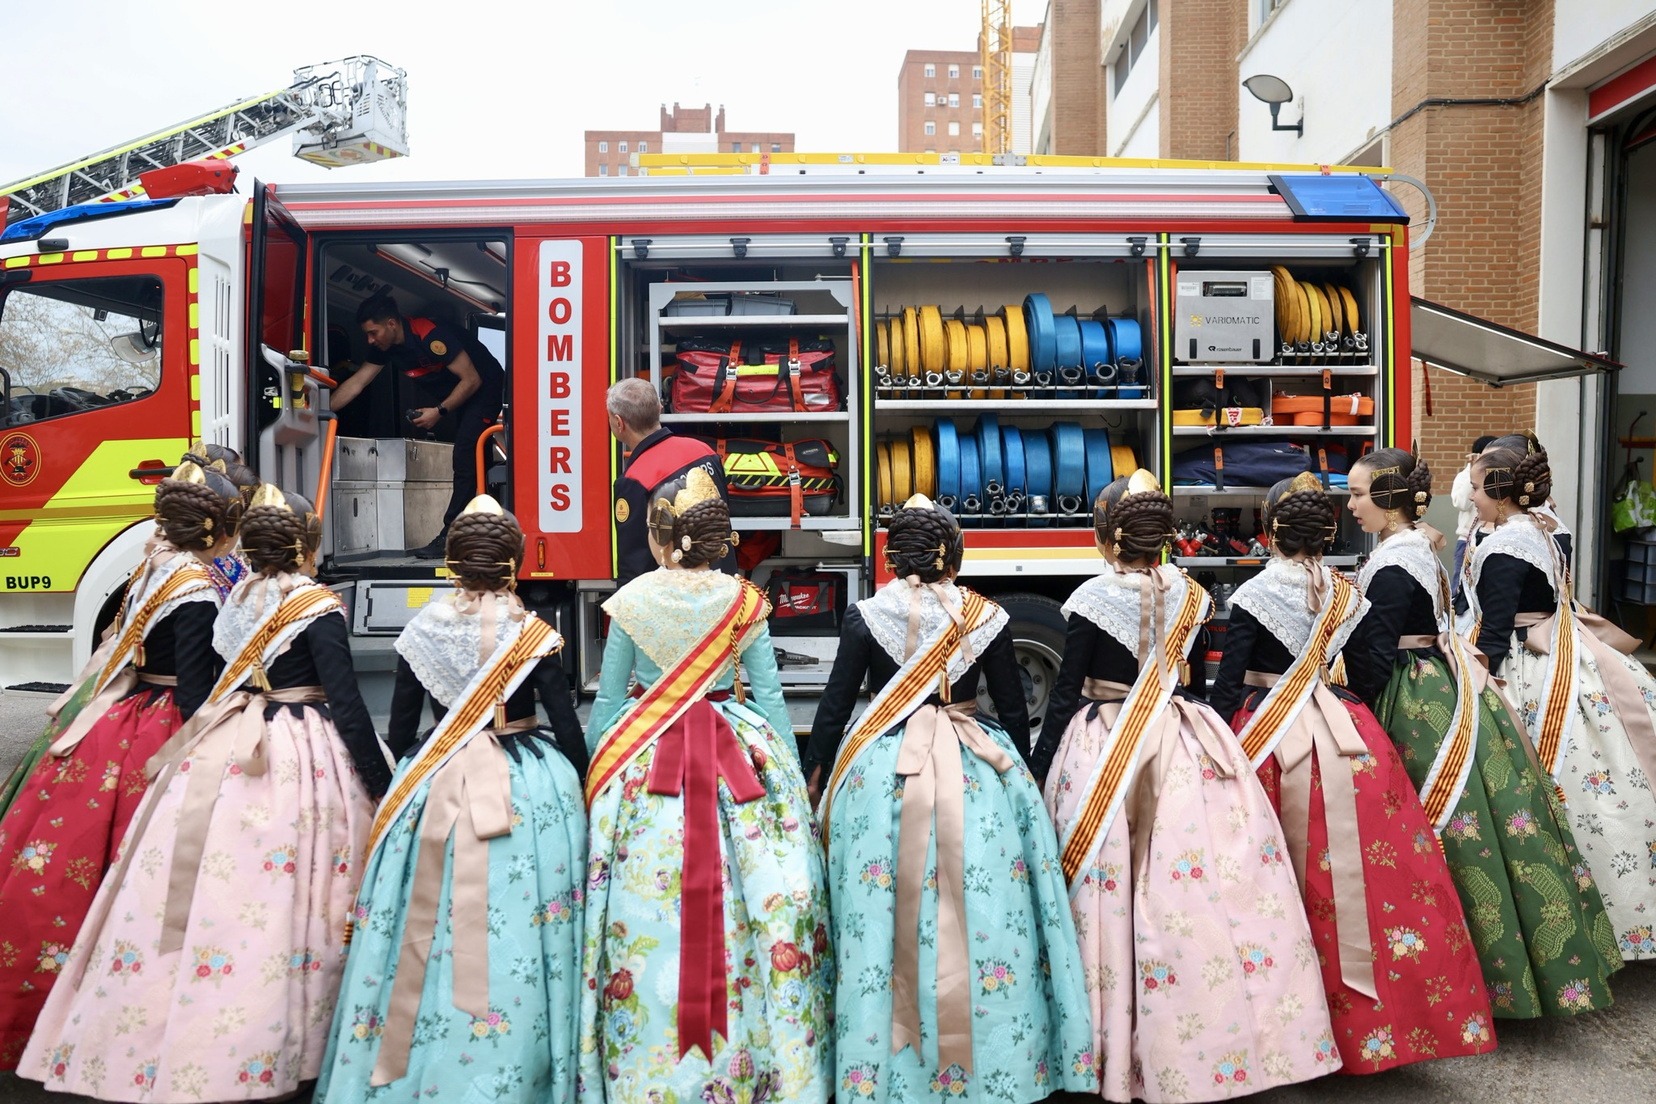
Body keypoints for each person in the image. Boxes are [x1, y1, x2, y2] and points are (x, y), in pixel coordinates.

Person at [20, 485, 391, 1101]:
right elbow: (347, 705)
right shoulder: (319, 608)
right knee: (304, 888)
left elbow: (220, 679)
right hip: (303, 751)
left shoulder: (239, 596)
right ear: (306, 550)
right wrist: (382, 785)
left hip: (230, 746)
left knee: (215, 883)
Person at [1034, 471, 1339, 1100]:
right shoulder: (1194, 595)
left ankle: (1107, 1037)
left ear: (1106, 538)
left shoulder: (1091, 599)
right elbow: (1197, 680)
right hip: (1182, 737)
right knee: (1197, 880)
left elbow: (1065, 694)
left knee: (1107, 882)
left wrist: (1037, 769)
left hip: (1105, 744)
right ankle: (1214, 1029)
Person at [804, 494, 1093, 1103]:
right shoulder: (985, 615)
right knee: (983, 916)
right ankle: (999, 1062)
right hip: (974, 766)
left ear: (889, 555)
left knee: (881, 916)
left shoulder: (864, 616)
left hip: (885, 772)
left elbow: (833, 711)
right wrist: (1021, 778)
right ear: (954, 557)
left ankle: (884, 1070)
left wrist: (816, 773)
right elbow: (1012, 710)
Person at [1209, 471, 1493, 1070]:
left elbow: (1230, 680)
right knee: (1368, 876)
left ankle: (1278, 1020)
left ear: (1269, 532)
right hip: (1344, 733)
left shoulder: (1255, 595)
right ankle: (1381, 1018)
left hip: (1269, 733)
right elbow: (1364, 664)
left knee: (1269, 872)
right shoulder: (1345, 592)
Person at [317, 496, 589, 1102]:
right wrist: (582, 781)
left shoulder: (422, 630)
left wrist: (395, 784)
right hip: (527, 784)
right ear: (513, 564)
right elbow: (567, 727)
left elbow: (402, 727)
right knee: (527, 920)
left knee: (425, 915)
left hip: (439, 780)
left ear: (451, 565)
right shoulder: (534, 634)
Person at [579, 468, 831, 1102]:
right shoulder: (745, 601)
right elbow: (770, 695)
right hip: (739, 761)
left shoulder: (631, 600)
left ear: (662, 538)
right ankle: (754, 1060)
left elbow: (609, 700)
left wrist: (594, 778)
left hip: (645, 758)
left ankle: (648, 1067)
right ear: (720, 540)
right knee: (759, 903)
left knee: (641, 909)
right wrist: (790, 782)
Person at [1341, 447, 1622, 1016]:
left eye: (1357, 494)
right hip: (1436, 684)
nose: (1350, 506)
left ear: (1391, 499)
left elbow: (1375, 652)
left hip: (1412, 700)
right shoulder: (1414, 547)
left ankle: (1454, 973)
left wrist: (1356, 709)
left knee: (1433, 826)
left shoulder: (1395, 564)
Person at [0, 461, 237, 1069]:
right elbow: (192, 685)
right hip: (160, 721)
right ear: (213, 532)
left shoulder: (153, 568)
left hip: (118, 715)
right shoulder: (199, 589)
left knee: (65, 849)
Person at [1468, 442, 1656, 965]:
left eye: (1478, 488)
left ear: (1501, 495)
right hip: (1569, 655)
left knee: (1553, 781)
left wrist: (1477, 675)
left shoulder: (1506, 543)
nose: (1472, 499)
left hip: (1534, 668)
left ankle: (1581, 914)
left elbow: (1497, 627)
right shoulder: (1538, 530)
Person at [329, 293, 505, 558]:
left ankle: (452, 536)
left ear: (391, 323)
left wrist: (439, 411)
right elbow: (358, 382)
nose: (370, 340)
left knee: (466, 454)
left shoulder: (430, 335)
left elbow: (471, 380)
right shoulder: (383, 348)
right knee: (474, 457)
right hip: (461, 395)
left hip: (482, 388)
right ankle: (485, 525)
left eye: (373, 332)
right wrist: (320, 410)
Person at [607, 376, 732, 587]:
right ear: (660, 408)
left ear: (619, 423)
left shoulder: (634, 479)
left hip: (675, 600)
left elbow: (635, 564)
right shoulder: (704, 451)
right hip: (723, 586)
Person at [1450, 435, 1496, 599]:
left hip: (1492, 535)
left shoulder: (1495, 474)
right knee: (1460, 586)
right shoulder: (1464, 476)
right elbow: (1462, 503)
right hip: (1467, 539)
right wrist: (1473, 472)